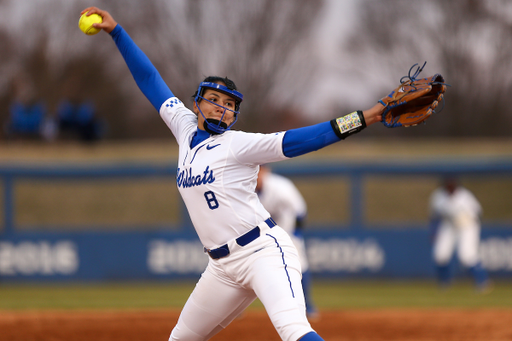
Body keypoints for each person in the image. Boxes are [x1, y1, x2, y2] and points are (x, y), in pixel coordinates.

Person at [82, 7, 385, 341]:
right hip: (221, 269)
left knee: (294, 331)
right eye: (213, 100)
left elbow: (303, 140)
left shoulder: (238, 145)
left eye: (229, 104)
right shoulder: (184, 128)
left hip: (262, 252)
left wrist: (366, 117)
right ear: (196, 104)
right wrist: (117, 32)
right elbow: (149, 80)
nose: (221, 108)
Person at [256, 165, 318, 320]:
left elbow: (300, 212)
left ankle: (307, 306)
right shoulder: (242, 186)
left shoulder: (281, 187)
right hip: (259, 229)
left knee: (299, 261)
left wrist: (295, 236)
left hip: (286, 226)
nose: (256, 173)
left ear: (266, 171)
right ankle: (235, 308)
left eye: (259, 169)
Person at [429, 176, 492, 293]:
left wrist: (468, 219)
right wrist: (433, 232)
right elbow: (434, 216)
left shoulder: (465, 196)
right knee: (440, 254)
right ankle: (444, 283)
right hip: (448, 225)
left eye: (452, 184)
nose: (450, 187)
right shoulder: (438, 196)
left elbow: (478, 212)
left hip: (467, 226)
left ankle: (483, 281)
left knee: (467, 256)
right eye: (448, 184)